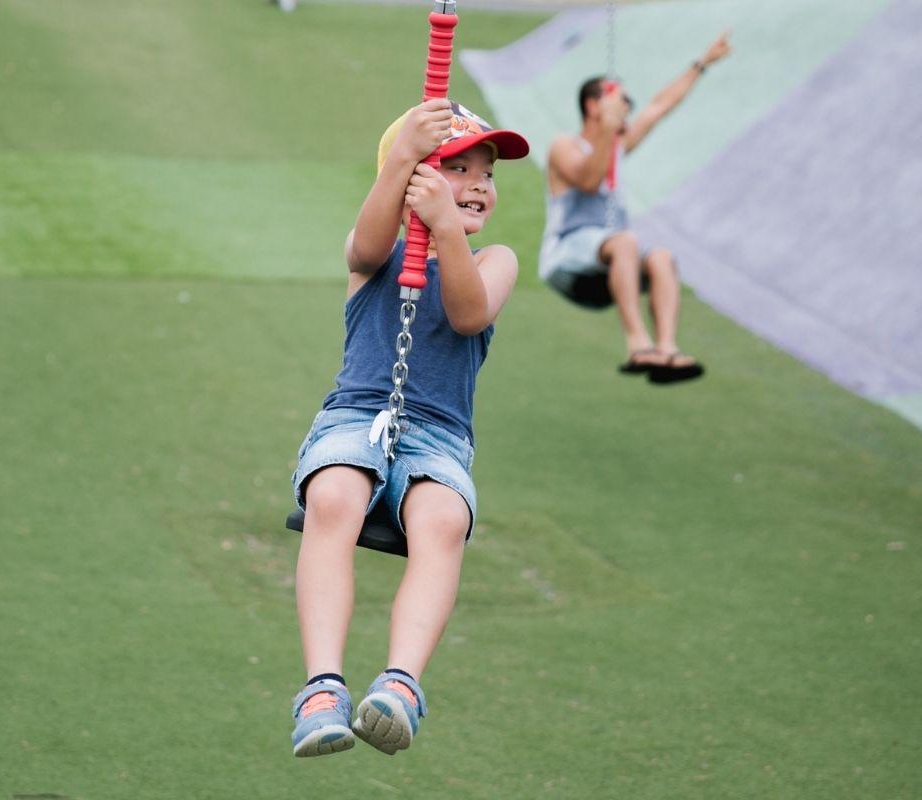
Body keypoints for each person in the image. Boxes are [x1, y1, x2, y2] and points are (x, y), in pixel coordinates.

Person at [287, 99, 529, 757]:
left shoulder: (493, 260)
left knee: (443, 520)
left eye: (488, 172)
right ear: (412, 177)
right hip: (356, 417)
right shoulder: (373, 256)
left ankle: (401, 685)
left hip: (438, 437)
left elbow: (468, 313)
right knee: (332, 499)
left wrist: (446, 226)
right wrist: (399, 161)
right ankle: (321, 688)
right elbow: (365, 241)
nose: (481, 182)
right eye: (460, 167)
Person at [539, 31, 733, 384]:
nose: (628, 105)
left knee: (660, 257)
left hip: (607, 266)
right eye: (619, 99)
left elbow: (659, 106)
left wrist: (702, 63)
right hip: (567, 258)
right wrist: (608, 131)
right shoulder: (564, 146)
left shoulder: (617, 145)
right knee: (626, 241)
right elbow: (587, 180)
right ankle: (636, 341)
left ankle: (666, 348)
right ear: (593, 105)